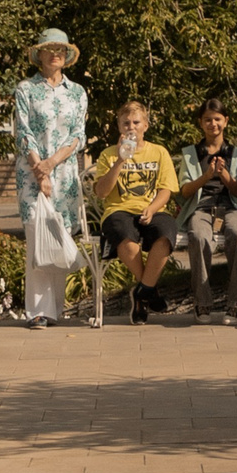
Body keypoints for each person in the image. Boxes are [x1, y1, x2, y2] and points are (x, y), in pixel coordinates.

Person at [13, 29, 88, 328]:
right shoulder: (26, 90)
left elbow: (77, 135)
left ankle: (56, 308)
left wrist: (53, 163)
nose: (54, 53)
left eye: (60, 49)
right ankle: (39, 312)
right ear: (39, 55)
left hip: (65, 172)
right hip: (31, 173)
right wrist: (39, 168)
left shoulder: (77, 92)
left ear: (67, 55)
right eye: (49, 49)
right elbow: (22, 131)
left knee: (59, 236)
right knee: (37, 236)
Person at [89, 99, 179, 323]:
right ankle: (149, 290)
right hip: (119, 211)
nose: (131, 127)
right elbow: (101, 192)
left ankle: (142, 292)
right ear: (119, 127)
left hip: (153, 209)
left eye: (136, 122)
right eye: (126, 123)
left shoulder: (159, 152)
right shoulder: (108, 155)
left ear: (145, 126)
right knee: (124, 237)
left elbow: (166, 190)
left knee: (166, 234)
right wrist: (120, 160)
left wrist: (152, 208)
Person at [175, 98, 237, 324]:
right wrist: (206, 176)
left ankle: (236, 303)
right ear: (200, 123)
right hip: (201, 206)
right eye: (207, 120)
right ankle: (202, 303)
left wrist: (225, 176)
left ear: (225, 121)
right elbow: (184, 192)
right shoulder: (190, 154)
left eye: (217, 119)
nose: (213, 124)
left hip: (230, 206)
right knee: (198, 236)